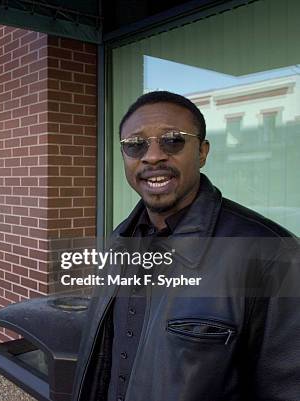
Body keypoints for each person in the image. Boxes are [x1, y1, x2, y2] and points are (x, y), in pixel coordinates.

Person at [72, 91, 298, 401]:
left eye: (173, 140)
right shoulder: (118, 241)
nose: (152, 156)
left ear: (203, 152)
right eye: (135, 145)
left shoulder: (273, 253)